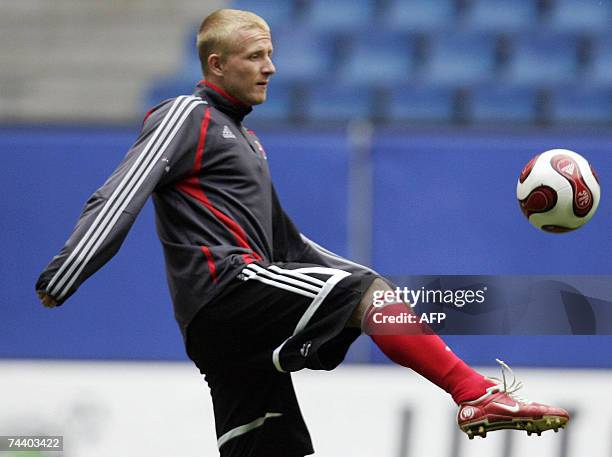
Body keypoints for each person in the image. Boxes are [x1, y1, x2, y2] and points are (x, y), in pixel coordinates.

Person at [35, 9, 569, 457]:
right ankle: (473, 393)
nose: (270, 68)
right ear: (216, 65)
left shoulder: (245, 139)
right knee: (364, 295)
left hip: (228, 327)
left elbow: (285, 245)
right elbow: (123, 191)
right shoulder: (185, 115)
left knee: (270, 448)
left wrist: (360, 277)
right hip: (227, 292)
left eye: (270, 55)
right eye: (255, 57)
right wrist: (69, 267)